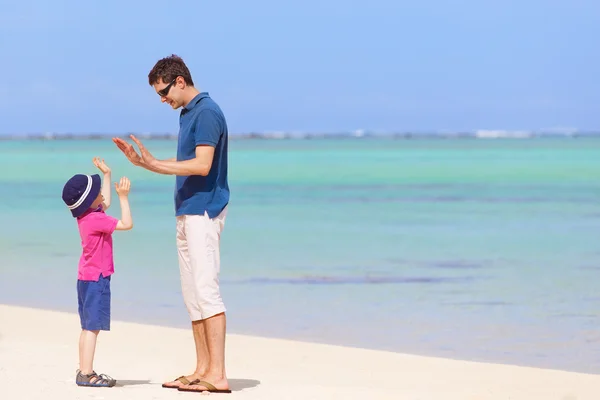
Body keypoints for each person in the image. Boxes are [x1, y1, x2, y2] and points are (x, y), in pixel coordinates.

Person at [112, 54, 231, 394]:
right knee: (192, 295)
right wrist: (144, 164)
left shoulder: (207, 112)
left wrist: (152, 163)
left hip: (205, 210)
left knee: (207, 292)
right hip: (186, 210)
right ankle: (201, 369)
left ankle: (218, 374)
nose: (163, 100)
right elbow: (183, 166)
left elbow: (203, 165)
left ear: (180, 81)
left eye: (164, 92)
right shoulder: (187, 114)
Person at [61, 157, 133, 388]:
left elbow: (106, 204)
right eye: (99, 191)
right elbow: (126, 223)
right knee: (93, 328)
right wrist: (124, 197)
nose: (102, 193)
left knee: (87, 327)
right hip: (96, 279)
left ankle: (83, 369)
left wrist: (108, 174)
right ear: (91, 201)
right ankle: (87, 373)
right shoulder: (96, 220)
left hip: (85, 277)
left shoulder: (88, 216)